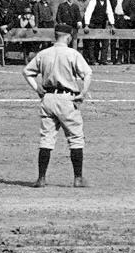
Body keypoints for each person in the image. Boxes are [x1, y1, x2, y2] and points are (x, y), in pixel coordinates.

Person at [22, 23, 93, 188]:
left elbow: (27, 71)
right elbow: (87, 73)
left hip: (48, 99)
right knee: (75, 138)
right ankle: (78, 178)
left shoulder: (44, 53)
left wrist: (37, 88)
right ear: (68, 37)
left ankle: (41, 178)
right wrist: (83, 92)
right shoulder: (72, 53)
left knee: (46, 139)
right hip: (67, 99)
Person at [83, 0, 115, 65]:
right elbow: (88, 12)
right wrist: (86, 25)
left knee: (105, 42)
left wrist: (112, 25)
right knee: (92, 43)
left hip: (102, 24)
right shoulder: (93, 1)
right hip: (92, 24)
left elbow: (110, 13)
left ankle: (103, 60)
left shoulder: (107, 1)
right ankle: (93, 60)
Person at [110, 0, 128, 64]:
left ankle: (119, 58)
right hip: (115, 18)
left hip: (123, 19)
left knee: (122, 40)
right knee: (113, 40)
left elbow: (131, 9)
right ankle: (113, 58)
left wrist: (128, 16)